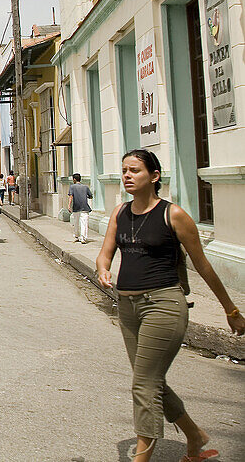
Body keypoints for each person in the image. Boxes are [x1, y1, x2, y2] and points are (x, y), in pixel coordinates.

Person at [95, 149, 243, 462]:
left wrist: (230, 310)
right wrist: (103, 268)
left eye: (134, 170)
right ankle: (194, 435)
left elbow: (202, 265)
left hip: (163, 305)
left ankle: (142, 458)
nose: (127, 176)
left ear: (154, 176)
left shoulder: (172, 215)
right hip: (127, 307)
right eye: (124, 170)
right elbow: (105, 253)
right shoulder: (119, 212)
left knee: (143, 384)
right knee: (151, 381)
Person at [68, 173, 94, 243]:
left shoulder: (72, 187)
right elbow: (90, 196)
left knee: (76, 222)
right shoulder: (85, 187)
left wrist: (69, 205)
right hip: (85, 207)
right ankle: (83, 238)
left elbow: (71, 196)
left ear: (74, 179)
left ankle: (77, 236)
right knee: (84, 223)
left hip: (76, 207)